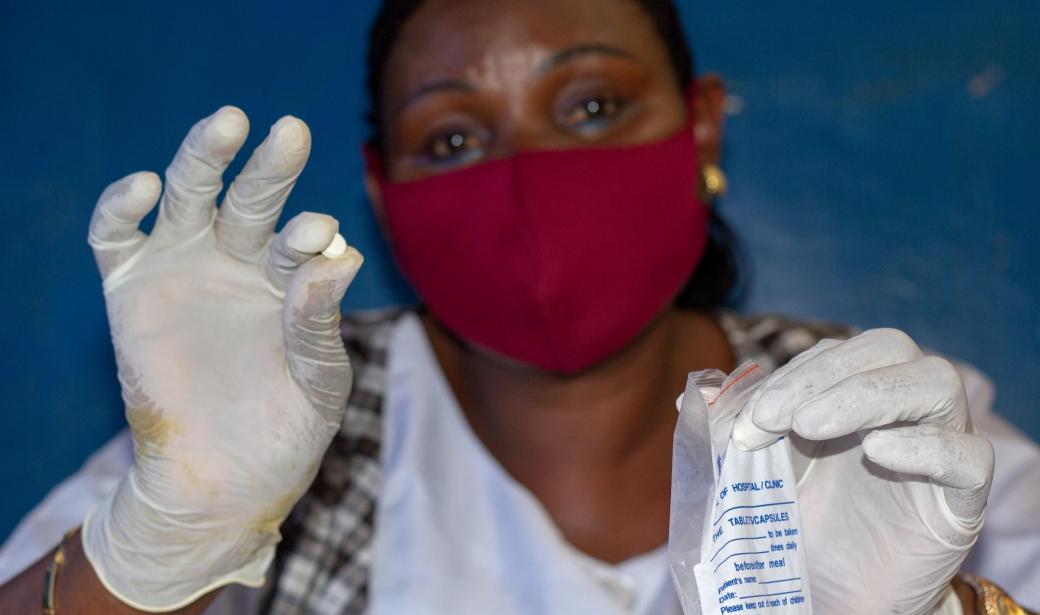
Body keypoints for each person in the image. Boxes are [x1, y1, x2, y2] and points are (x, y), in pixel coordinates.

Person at [1, 0, 1038, 613]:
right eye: (452, 139)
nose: (526, 179)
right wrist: (159, 548)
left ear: (702, 129)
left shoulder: (873, 436)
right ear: (383, 186)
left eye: (589, 108)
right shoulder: (254, 413)